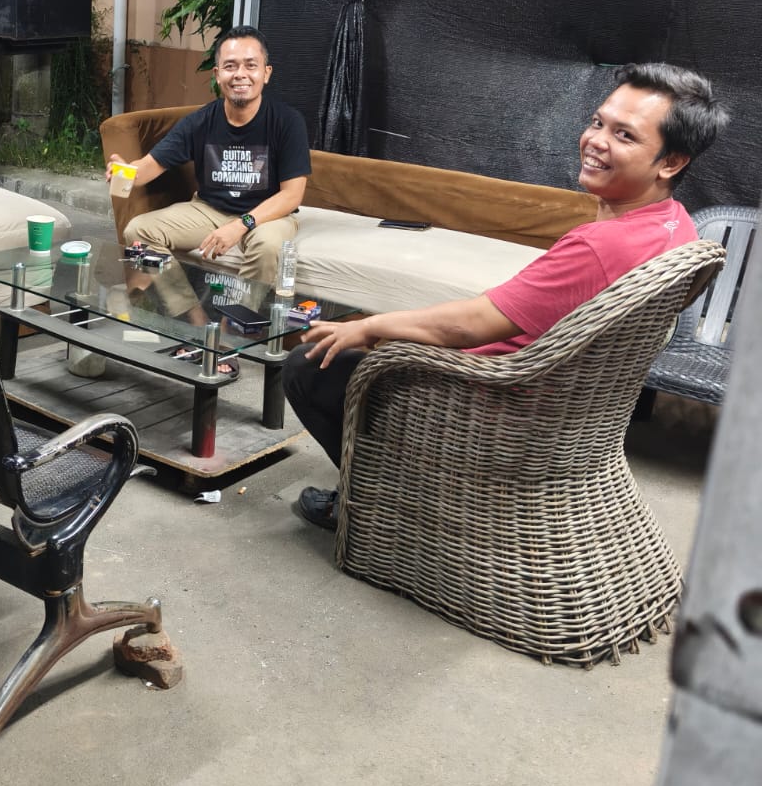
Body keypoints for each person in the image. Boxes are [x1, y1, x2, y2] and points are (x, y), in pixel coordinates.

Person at [285, 62, 729, 530]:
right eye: (598, 122)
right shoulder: (679, 227)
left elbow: (469, 326)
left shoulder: (601, 246)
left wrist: (370, 326)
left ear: (671, 162)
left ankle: (374, 507)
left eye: (624, 135)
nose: (596, 140)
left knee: (312, 366)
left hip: (497, 403)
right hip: (570, 409)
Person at [106, 29, 312, 288]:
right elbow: (148, 167)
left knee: (268, 246)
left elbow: (291, 195)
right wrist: (125, 171)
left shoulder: (287, 122)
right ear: (217, 74)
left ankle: (242, 313)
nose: (240, 74)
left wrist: (240, 225)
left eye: (251, 65)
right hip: (209, 210)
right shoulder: (199, 122)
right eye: (230, 66)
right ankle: (185, 307)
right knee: (138, 230)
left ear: (266, 73)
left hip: (267, 215)